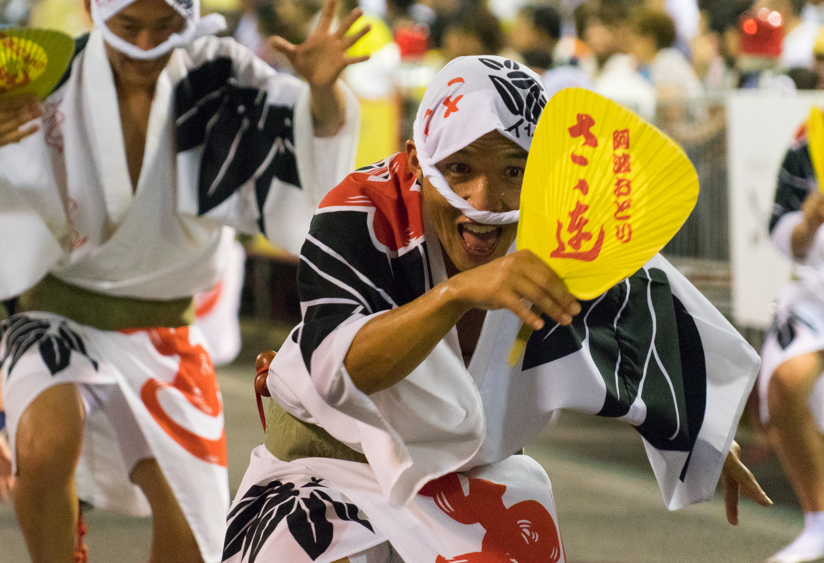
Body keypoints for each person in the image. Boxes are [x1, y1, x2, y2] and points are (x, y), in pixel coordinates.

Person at [0, 0, 366, 563]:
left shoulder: (216, 73)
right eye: (129, 25)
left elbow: (303, 142)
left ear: (187, 15)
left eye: (162, 25)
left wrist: (320, 91)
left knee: (192, 536)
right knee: (42, 450)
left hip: (166, 329)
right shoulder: (47, 77)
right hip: (57, 312)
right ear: (95, 9)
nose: (146, 43)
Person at [225, 55, 769, 563]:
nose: (485, 203)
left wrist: (703, 433)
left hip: (472, 488)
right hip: (323, 474)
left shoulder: (563, 239)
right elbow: (339, 369)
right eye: (460, 169)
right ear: (418, 161)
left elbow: (643, 323)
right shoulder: (362, 212)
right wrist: (457, 294)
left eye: (514, 172)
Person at [760, 123, 824, 563]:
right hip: (816, 290)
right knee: (786, 380)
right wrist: (809, 221)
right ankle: (818, 522)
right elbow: (783, 231)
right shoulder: (812, 136)